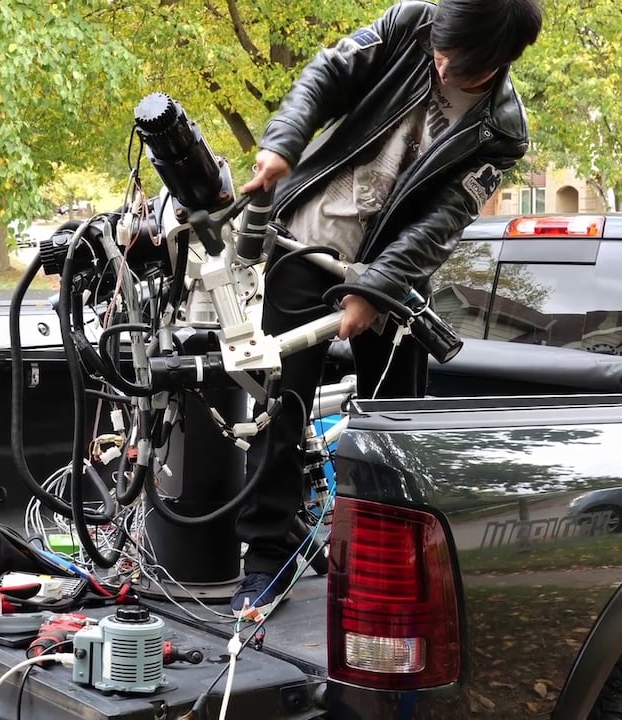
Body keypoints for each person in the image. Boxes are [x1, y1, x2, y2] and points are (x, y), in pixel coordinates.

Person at [231, 0, 543, 618]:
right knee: (280, 408)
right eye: (440, 48)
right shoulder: (412, 23)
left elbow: (441, 221)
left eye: (457, 59)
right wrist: (283, 144)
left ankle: (385, 565)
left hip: (393, 274)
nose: (441, 62)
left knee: (391, 424)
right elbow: (327, 73)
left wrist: (374, 291)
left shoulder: (503, 131)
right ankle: (265, 557)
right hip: (308, 243)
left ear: (501, 58)